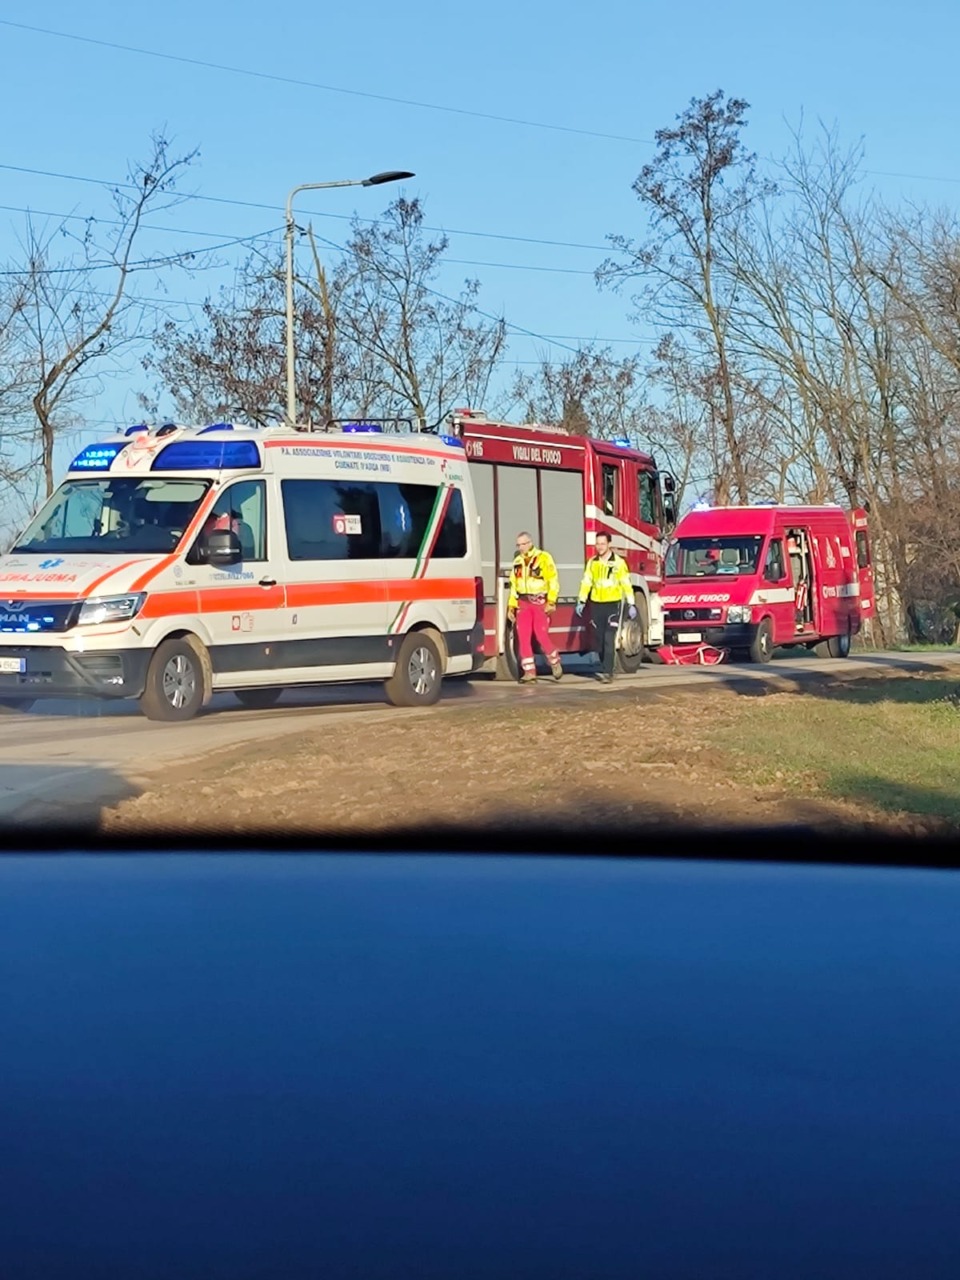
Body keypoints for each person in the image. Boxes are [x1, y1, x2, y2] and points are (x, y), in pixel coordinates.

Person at [576, 532, 637, 683]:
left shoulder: (618, 563)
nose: (600, 547)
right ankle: (607, 665)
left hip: (613, 605)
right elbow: (586, 582)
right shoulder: (592, 563)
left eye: (603, 544)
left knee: (609, 638)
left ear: (609, 544)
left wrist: (631, 603)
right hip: (596, 604)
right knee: (599, 640)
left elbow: (626, 583)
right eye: (597, 544)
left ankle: (608, 672)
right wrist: (581, 601)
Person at [506, 531, 562, 683]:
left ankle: (555, 661)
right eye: (518, 545)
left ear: (530, 543)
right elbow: (513, 586)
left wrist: (551, 601)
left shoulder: (544, 558)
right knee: (523, 638)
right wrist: (511, 606)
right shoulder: (517, 561)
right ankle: (529, 672)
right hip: (523, 603)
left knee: (541, 635)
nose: (521, 547)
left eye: (523, 544)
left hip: (539, 602)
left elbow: (553, 580)